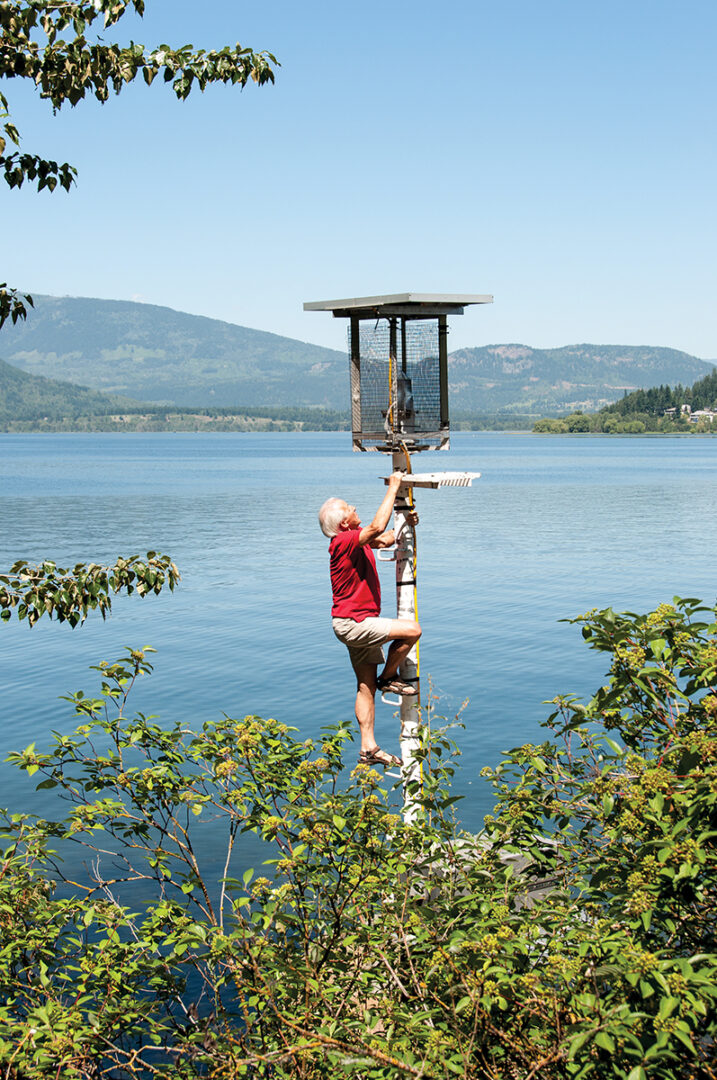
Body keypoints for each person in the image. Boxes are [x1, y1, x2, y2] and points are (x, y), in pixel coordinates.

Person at [318, 472, 421, 768]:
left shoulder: (356, 540)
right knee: (412, 631)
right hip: (354, 622)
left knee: (365, 687)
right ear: (343, 523)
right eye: (350, 508)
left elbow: (384, 536)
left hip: (350, 622)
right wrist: (394, 487)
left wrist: (405, 524)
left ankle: (369, 748)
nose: (354, 509)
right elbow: (378, 525)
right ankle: (389, 677)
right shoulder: (342, 542)